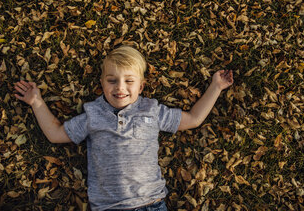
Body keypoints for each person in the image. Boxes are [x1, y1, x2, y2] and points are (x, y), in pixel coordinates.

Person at [13, 46, 233, 211]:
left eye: (129, 81)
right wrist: (36, 102)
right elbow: (55, 134)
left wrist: (216, 87)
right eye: (112, 80)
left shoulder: (152, 110)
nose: (120, 87)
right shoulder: (93, 114)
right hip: (109, 207)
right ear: (101, 83)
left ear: (141, 86)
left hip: (151, 203)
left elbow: (194, 119)